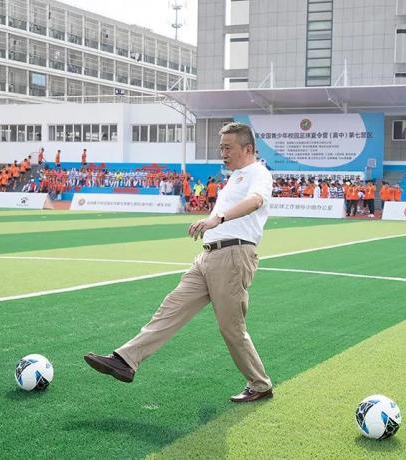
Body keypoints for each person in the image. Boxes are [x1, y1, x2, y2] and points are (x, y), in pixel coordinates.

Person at [84, 122, 274, 403]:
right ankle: (126, 360)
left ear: (247, 149)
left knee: (231, 328)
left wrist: (217, 219)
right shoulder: (235, 177)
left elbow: (256, 201)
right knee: (171, 307)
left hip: (233, 256)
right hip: (208, 256)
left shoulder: (258, 173)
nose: (222, 153)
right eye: (221, 147)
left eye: (227, 148)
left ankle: (260, 384)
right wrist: (211, 224)